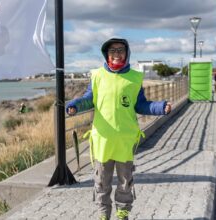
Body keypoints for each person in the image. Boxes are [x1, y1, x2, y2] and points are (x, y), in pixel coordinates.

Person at [66, 38, 172, 220]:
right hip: (103, 140)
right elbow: (88, 99)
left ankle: (123, 212)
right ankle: (103, 213)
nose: (116, 54)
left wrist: (160, 107)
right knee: (101, 181)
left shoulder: (135, 78)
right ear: (106, 54)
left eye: (120, 50)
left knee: (125, 180)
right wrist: (75, 105)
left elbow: (141, 105)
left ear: (127, 53)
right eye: (112, 51)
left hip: (125, 140)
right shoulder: (97, 75)